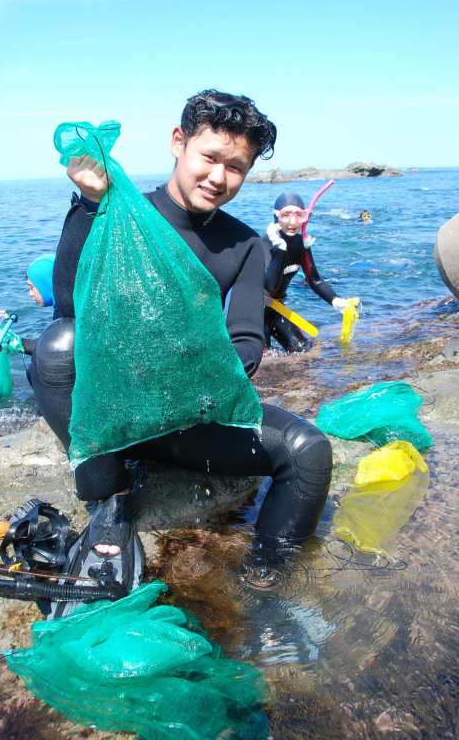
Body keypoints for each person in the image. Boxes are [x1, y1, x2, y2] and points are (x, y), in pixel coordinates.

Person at [29, 90, 333, 609]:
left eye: (236, 167)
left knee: (310, 452)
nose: (219, 176)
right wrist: (88, 204)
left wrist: (203, 390)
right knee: (57, 347)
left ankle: (266, 584)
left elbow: (245, 339)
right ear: (178, 142)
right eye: (210, 157)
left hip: (192, 420)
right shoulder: (123, 214)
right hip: (115, 421)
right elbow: (68, 306)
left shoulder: (245, 245)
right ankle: (112, 494)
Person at [263, 191, 350, 353]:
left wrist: (335, 300)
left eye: (299, 215)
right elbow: (270, 285)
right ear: (276, 218)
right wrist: (280, 249)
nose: (292, 221)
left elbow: (314, 280)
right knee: (262, 363)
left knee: (304, 351)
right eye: (286, 215)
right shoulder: (266, 245)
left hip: (276, 310)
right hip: (254, 315)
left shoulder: (300, 244)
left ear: (305, 217)